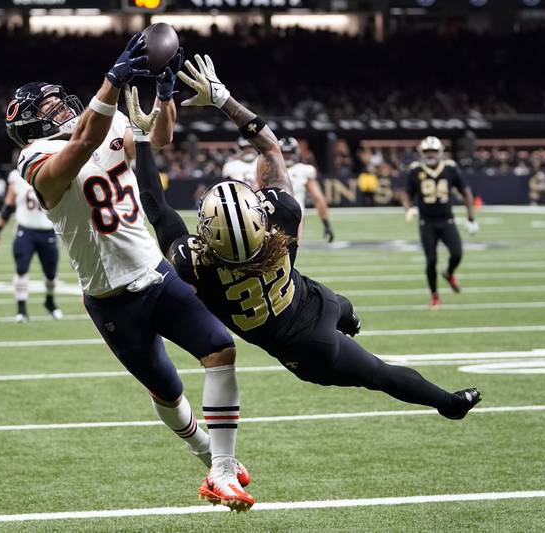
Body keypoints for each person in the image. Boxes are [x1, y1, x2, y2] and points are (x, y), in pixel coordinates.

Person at [128, 54, 481, 436]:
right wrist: (222, 98)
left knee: (366, 350)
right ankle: (446, 402)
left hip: (305, 329)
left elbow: (155, 205)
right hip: (312, 318)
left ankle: (424, 383)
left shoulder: (194, 263)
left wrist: (144, 140)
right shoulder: (282, 216)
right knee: (364, 348)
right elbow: (270, 149)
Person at [5, 36, 253, 511]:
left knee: (220, 349)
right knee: (166, 389)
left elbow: (157, 141)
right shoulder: (34, 158)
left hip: (155, 272)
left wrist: (161, 97)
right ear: (32, 122)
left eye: (61, 100)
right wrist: (113, 81)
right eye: (50, 105)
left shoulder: (109, 120)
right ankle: (202, 451)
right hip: (110, 297)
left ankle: (222, 471)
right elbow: (80, 147)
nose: (62, 107)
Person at [402, 136, 478, 308]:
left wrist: (471, 217)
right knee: (431, 260)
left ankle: (449, 273)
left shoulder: (450, 168)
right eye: (427, 151)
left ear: (440, 152)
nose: (430, 155)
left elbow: (465, 192)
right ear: (421, 153)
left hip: (447, 220)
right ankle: (434, 295)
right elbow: (406, 194)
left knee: (457, 253)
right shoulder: (415, 170)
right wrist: (409, 209)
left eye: (433, 151)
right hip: (426, 222)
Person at [0, 167, 62, 322]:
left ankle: (49, 302)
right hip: (25, 231)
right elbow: (8, 206)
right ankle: (21, 309)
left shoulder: (53, 171)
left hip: (48, 231)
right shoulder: (16, 177)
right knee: (21, 269)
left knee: (51, 274)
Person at [278, 137, 334, 242]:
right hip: (292, 216)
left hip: (281, 215)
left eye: (289, 152)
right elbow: (318, 198)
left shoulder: (270, 168)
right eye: (284, 152)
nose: (286, 155)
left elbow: (318, 198)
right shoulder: (270, 168)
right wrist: (326, 224)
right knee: (291, 252)